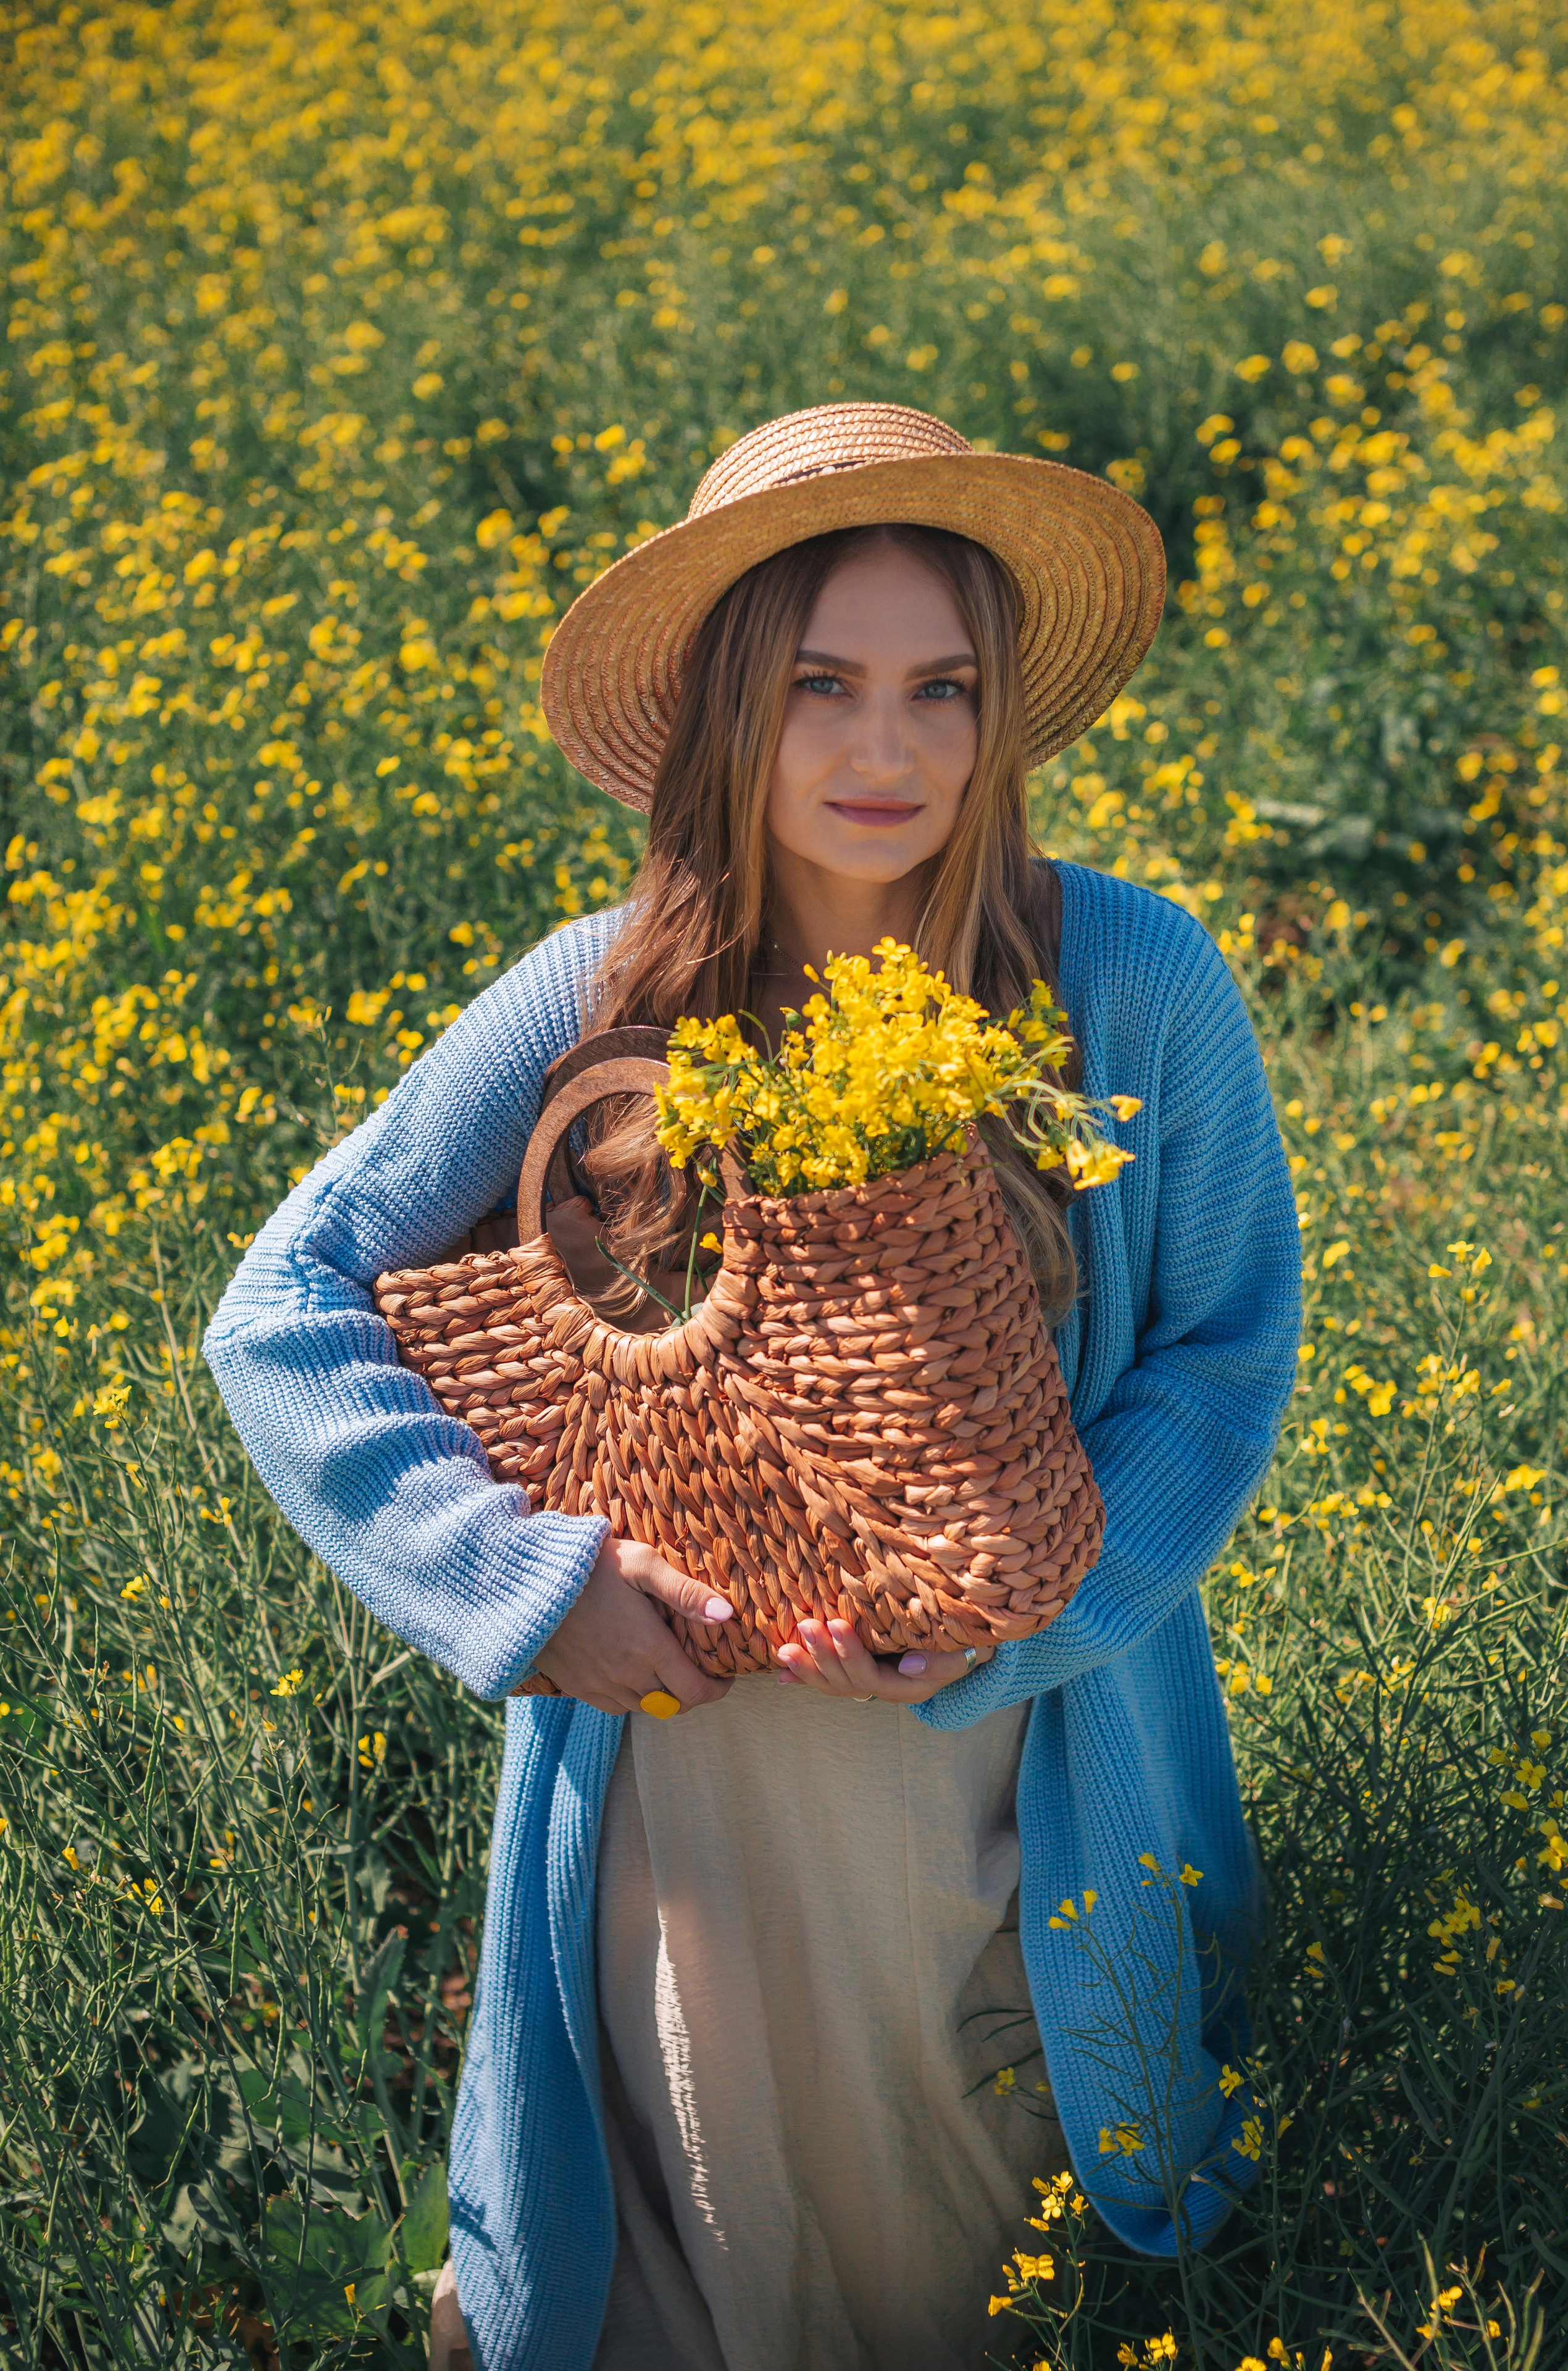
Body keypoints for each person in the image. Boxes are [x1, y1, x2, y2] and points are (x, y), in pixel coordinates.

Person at [205, 403, 1302, 2371]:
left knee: (1014, 2284)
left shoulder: (1129, 978)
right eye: (822, 689)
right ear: (727, 705)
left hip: (1027, 1765)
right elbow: (280, 1303)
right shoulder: (600, 997)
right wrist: (531, 1589)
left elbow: (1226, 1352)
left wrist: (1047, 1609)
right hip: (681, 1779)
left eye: (941, 689)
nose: (891, 752)